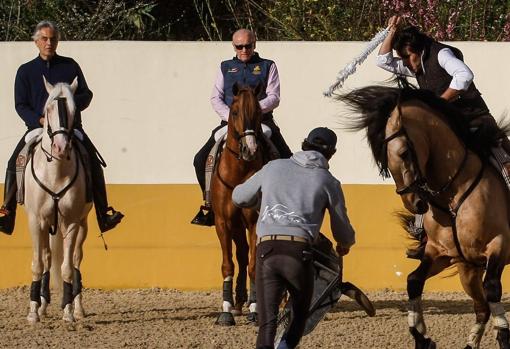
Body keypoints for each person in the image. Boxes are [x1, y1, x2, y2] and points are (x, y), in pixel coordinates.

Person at [376, 16, 510, 258]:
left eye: (408, 56)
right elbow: (382, 60)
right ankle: (423, 232)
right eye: (404, 58)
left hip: (477, 124)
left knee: (504, 163)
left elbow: (464, 76)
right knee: (423, 172)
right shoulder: (415, 62)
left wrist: (438, 102)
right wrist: (391, 30)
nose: (406, 63)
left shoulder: (441, 54)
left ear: (419, 50)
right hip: (451, 131)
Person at [232, 127, 355, 349]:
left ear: (304, 144)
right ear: (332, 153)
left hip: (266, 250)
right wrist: (344, 244)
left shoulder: (273, 167)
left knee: (267, 324)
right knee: (299, 317)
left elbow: (239, 197)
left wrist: (263, 204)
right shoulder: (328, 181)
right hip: (299, 254)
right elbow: (342, 230)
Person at [0, 20, 123, 235]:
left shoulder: (70, 66)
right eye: (45, 39)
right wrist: (38, 120)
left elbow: (86, 94)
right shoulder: (25, 71)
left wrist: (72, 103)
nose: (49, 43)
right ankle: (6, 213)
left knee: (93, 162)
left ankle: (104, 214)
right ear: (36, 41)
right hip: (37, 129)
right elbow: (20, 104)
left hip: (70, 129)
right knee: (14, 162)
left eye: (53, 39)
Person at [191, 28, 292, 226]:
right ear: (234, 46)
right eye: (240, 46)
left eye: (248, 45)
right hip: (231, 122)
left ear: (255, 44)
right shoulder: (225, 67)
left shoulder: (267, 66)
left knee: (288, 160)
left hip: (261, 122)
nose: (244, 49)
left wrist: (252, 112)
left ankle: (285, 205)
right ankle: (209, 205)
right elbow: (216, 97)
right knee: (199, 159)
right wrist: (232, 117)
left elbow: (274, 96)